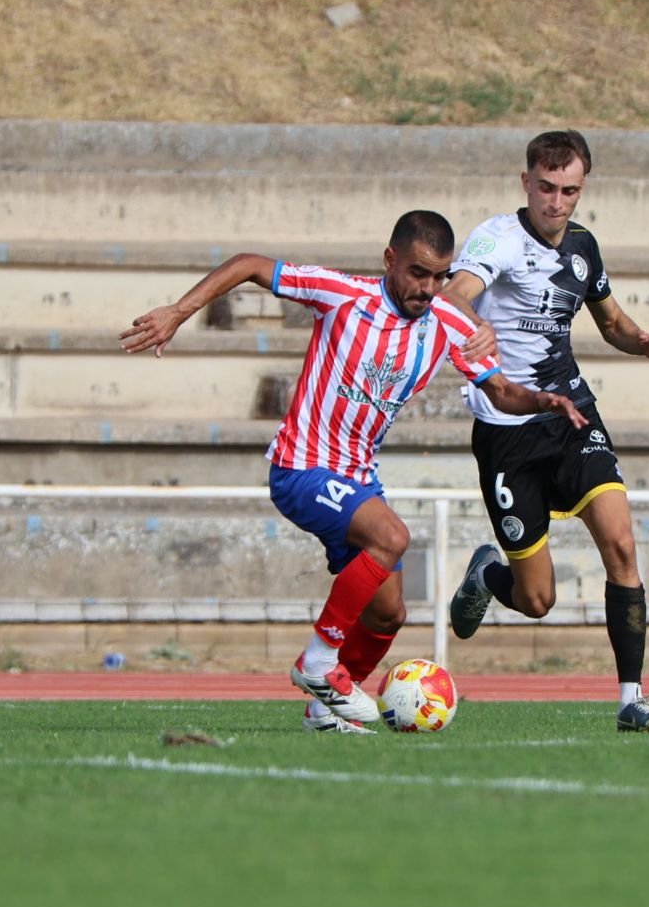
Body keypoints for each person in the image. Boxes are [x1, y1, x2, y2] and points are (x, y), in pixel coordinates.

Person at [121, 210, 586, 734]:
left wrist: (542, 400)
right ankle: (318, 663)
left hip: (357, 478)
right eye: (417, 273)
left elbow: (500, 391)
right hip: (301, 466)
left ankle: (324, 710)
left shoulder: (450, 324)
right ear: (390, 260)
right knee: (392, 536)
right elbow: (251, 264)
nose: (428, 288)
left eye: (439, 276)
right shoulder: (342, 293)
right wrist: (180, 312)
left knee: (388, 614)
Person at [440, 130, 649, 733]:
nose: (557, 201)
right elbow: (455, 296)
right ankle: (490, 576)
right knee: (538, 599)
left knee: (621, 545)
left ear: (582, 188)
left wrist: (641, 341)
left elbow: (611, 322)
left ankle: (631, 699)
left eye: (569, 189)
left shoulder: (584, 247)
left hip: (571, 414)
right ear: (526, 183)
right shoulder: (497, 238)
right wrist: (473, 326)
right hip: (507, 429)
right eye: (546, 187)